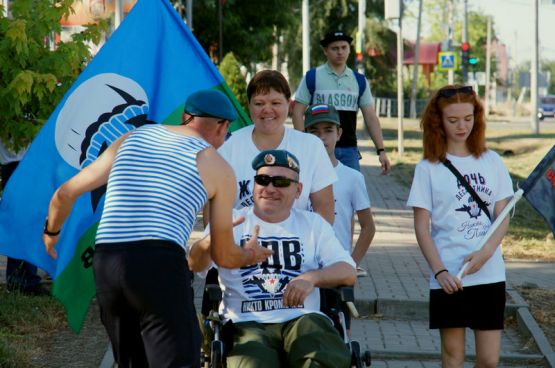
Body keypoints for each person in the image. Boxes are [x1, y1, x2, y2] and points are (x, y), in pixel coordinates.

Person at [42, 89, 273, 368]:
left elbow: (64, 194)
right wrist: (249, 254)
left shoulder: (131, 137)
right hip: (158, 263)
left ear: (186, 117)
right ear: (223, 126)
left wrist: (51, 234)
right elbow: (223, 256)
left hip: (107, 262)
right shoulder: (218, 167)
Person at [189, 149, 356, 368]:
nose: (270, 188)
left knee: (320, 356)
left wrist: (312, 278)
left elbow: (348, 271)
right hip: (245, 324)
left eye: (280, 182)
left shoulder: (313, 224)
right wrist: (212, 240)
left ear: (298, 190)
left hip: (303, 320)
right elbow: (194, 264)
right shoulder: (230, 221)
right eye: (263, 180)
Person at [406, 85, 514, 367]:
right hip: (449, 276)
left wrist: (486, 252)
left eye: (468, 118)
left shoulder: (493, 161)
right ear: (438, 121)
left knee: (489, 360)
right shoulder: (427, 168)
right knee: (453, 357)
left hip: (489, 273)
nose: (462, 126)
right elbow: (421, 227)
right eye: (453, 120)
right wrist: (439, 271)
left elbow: (503, 217)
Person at [218, 70, 336, 224]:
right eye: (259, 103)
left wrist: (315, 246)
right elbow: (215, 209)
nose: (267, 110)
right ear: (249, 105)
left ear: (289, 104)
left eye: (275, 103)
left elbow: (324, 209)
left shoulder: (311, 146)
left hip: (298, 245)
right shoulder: (228, 146)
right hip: (241, 245)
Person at [292, 30, 391, 174]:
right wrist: (304, 144)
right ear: (325, 51)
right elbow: (297, 112)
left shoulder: (359, 80)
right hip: (318, 149)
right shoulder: (312, 77)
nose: (340, 52)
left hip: (349, 151)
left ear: (349, 50)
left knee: (352, 192)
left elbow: (370, 117)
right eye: (335, 48)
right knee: (316, 193)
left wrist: (381, 151)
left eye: (344, 47)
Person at [304, 104, 375, 277]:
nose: (322, 138)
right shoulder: (297, 176)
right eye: (314, 132)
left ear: (339, 133)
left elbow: (368, 227)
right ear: (305, 136)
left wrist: (351, 264)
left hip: (336, 268)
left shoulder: (352, 177)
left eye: (328, 130)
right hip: (302, 267)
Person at [0, 139, 44, 294]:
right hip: (18, 164)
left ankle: (25, 279)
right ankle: (23, 281)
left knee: (30, 225)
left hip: (26, 164)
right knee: (23, 225)